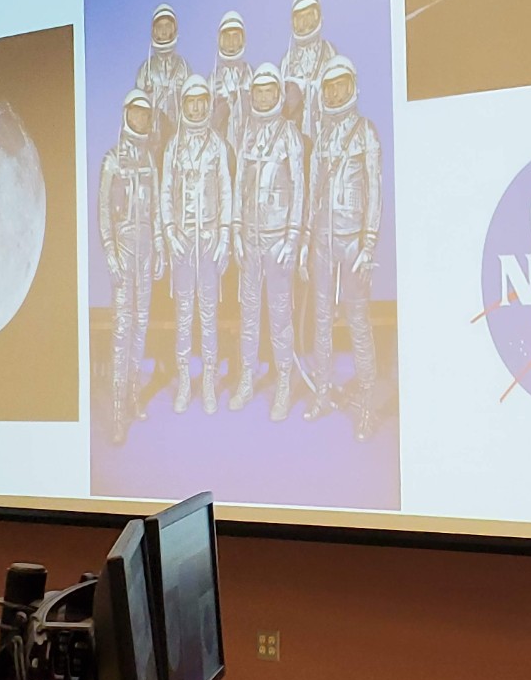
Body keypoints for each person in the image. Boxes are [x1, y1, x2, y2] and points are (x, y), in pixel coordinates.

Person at [301, 55, 381, 441]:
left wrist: (369, 243)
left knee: (358, 322)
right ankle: (321, 392)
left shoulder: (365, 132)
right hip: (322, 240)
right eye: (329, 87)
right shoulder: (322, 137)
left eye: (341, 85)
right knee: (320, 321)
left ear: (352, 86)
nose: (335, 92)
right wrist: (305, 241)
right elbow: (313, 192)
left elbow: (375, 193)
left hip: (352, 242)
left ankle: (366, 402)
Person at [229, 63, 305, 421]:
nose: (263, 98)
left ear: (278, 94)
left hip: (277, 242)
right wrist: (236, 233)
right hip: (251, 240)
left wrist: (292, 238)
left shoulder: (289, 134)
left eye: (269, 92)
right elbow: (238, 185)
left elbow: (301, 191)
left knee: (279, 317)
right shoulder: (246, 134)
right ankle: (246, 378)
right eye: (257, 93)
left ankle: (285, 384)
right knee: (248, 316)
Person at [161, 75, 232, 415]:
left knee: (209, 315)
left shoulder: (217, 146)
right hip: (183, 242)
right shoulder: (173, 146)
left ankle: (208, 383)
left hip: (208, 241)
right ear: (183, 105)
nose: (197, 107)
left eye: (202, 101)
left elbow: (227, 192)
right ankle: (185, 382)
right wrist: (170, 231)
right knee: (184, 315)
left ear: (208, 104)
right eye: (191, 102)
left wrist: (225, 236)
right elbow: (164, 191)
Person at [98, 89, 165, 444]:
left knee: (141, 328)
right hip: (124, 255)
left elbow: (153, 209)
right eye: (136, 113)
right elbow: (104, 211)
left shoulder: (149, 161)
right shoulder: (113, 160)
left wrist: (158, 250)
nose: (141, 120)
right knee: (122, 333)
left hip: (144, 254)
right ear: (126, 115)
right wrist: (110, 251)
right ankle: (118, 410)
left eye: (146, 115)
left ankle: (135, 393)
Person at [280, 0, 338, 142]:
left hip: (324, 129)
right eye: (300, 18)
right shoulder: (287, 60)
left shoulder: (329, 51)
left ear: (319, 16)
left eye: (309, 17)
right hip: (296, 132)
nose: (305, 23)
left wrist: (310, 90)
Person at [135, 4, 191, 153]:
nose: (164, 31)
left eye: (168, 26)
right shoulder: (146, 70)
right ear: (154, 31)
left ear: (174, 29)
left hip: (179, 139)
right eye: (160, 27)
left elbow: (191, 102)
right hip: (152, 140)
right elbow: (137, 109)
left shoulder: (183, 67)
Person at [210, 11, 252, 162]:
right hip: (221, 157)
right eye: (227, 38)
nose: (231, 43)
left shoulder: (252, 77)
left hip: (248, 153)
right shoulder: (211, 82)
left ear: (243, 40)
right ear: (219, 40)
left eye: (236, 37)